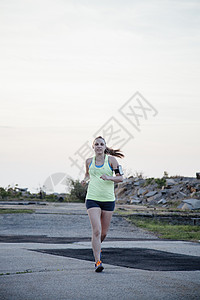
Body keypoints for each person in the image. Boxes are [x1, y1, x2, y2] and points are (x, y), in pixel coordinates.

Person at [81, 136, 124, 272]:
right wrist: (84, 180)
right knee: (97, 230)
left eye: (101, 144)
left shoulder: (111, 160)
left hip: (108, 199)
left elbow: (120, 178)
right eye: (96, 144)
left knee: (103, 233)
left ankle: (96, 246)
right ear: (93, 147)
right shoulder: (88, 161)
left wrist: (109, 177)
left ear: (105, 147)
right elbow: (88, 174)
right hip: (92, 198)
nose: (99, 146)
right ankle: (97, 261)